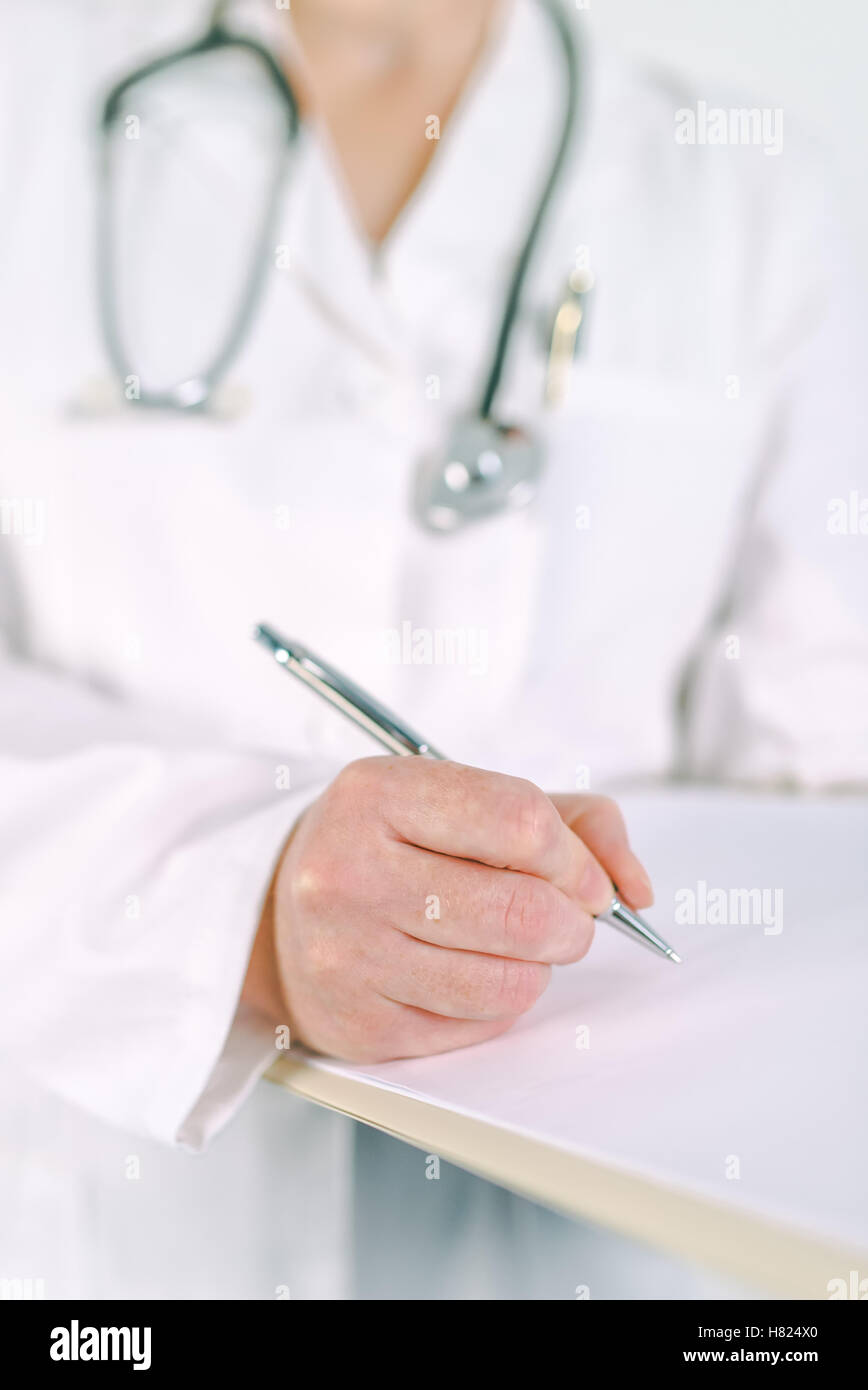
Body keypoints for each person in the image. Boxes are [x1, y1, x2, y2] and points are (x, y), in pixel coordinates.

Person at [0, 0, 865, 1301]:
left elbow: (828, 788)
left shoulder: (763, 194)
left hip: (611, 1245)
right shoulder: (30, 112)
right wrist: (232, 904)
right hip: (116, 1240)